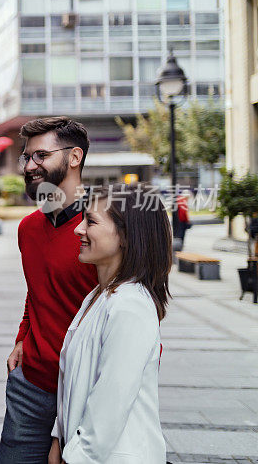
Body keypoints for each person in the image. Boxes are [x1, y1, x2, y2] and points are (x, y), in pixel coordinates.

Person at [0, 117, 98, 464]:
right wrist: (22, 338)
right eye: (26, 157)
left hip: (89, 388)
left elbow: (134, 308)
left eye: (41, 155)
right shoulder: (28, 228)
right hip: (32, 383)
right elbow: (36, 291)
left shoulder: (105, 230)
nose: (29, 165)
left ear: (74, 158)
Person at [49, 185, 170, 463]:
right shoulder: (100, 295)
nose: (78, 230)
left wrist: (76, 456)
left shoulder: (131, 305)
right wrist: (59, 436)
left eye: (90, 221)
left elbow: (111, 403)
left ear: (125, 236)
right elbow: (77, 381)